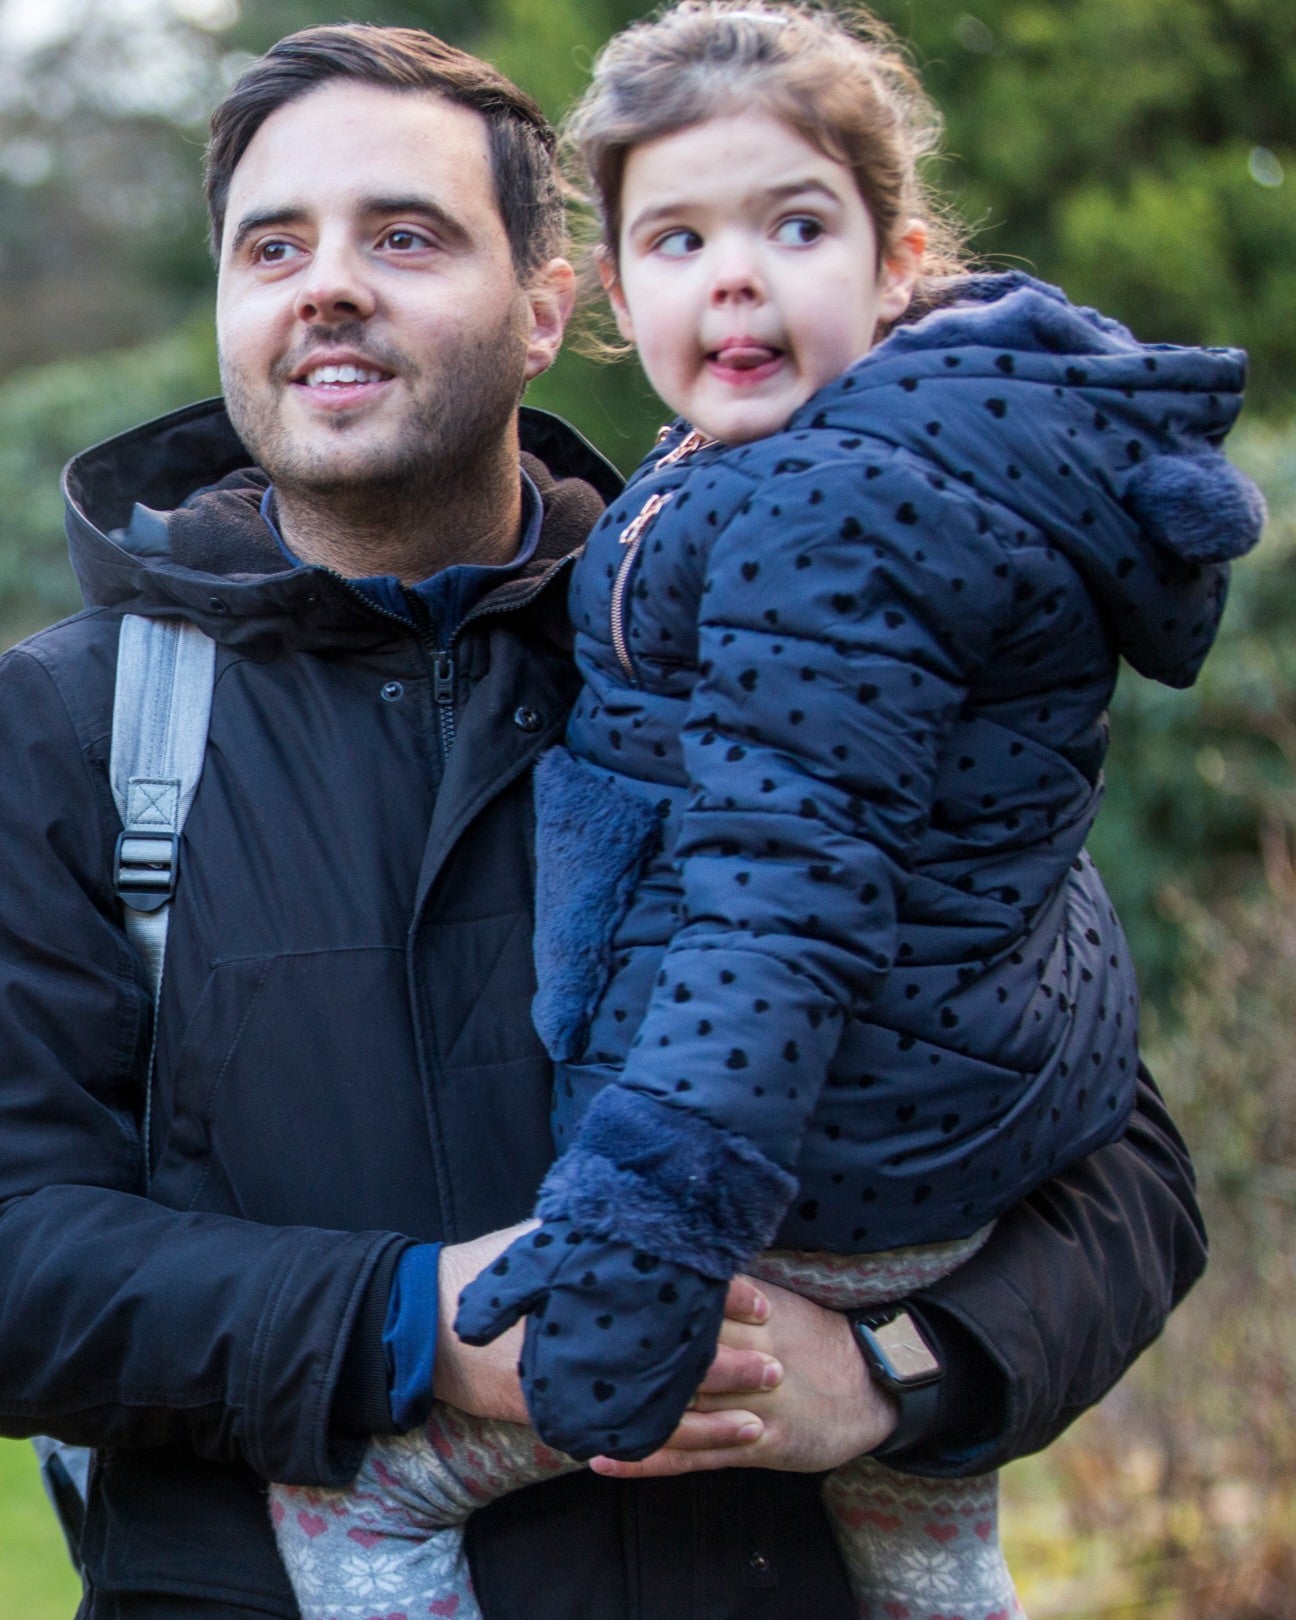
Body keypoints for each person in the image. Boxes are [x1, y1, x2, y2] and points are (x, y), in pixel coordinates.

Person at [0, 23, 1206, 1620]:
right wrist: (409, 1322)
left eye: (407, 235)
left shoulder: (780, 643)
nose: (329, 285)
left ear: (555, 309)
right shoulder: (78, 724)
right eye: (272, 245)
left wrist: (893, 1375)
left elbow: (1116, 1160)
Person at [265, 7, 1265, 1619]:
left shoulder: (833, 515)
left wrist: (646, 1210)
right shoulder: (860, 460)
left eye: (792, 225)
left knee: (361, 1503)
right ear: (612, 292)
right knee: (927, 1537)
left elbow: (779, 899)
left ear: (899, 264)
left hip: (802, 1175)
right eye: (679, 236)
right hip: (936, 1148)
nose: (733, 275)